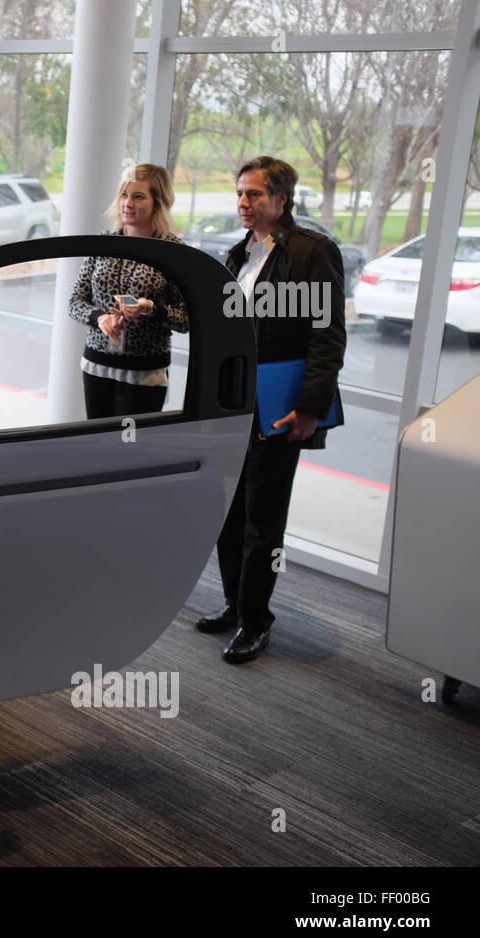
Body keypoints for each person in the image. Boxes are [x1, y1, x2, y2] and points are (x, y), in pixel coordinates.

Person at [196, 156, 347, 664]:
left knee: (263, 520)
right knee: (227, 511)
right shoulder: (238, 254)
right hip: (232, 403)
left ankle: (256, 622)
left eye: (255, 195)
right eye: (240, 194)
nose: (244, 203)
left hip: (280, 409)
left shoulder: (312, 253)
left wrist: (310, 407)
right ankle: (235, 603)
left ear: (282, 200)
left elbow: (328, 336)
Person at [69, 164, 188, 419]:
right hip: (97, 366)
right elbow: (75, 302)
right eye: (124, 195)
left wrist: (152, 309)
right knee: (99, 446)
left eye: (138, 196)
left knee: (131, 452)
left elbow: (186, 319)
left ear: (159, 201)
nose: (127, 203)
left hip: (144, 374)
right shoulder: (104, 242)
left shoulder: (174, 252)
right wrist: (100, 318)